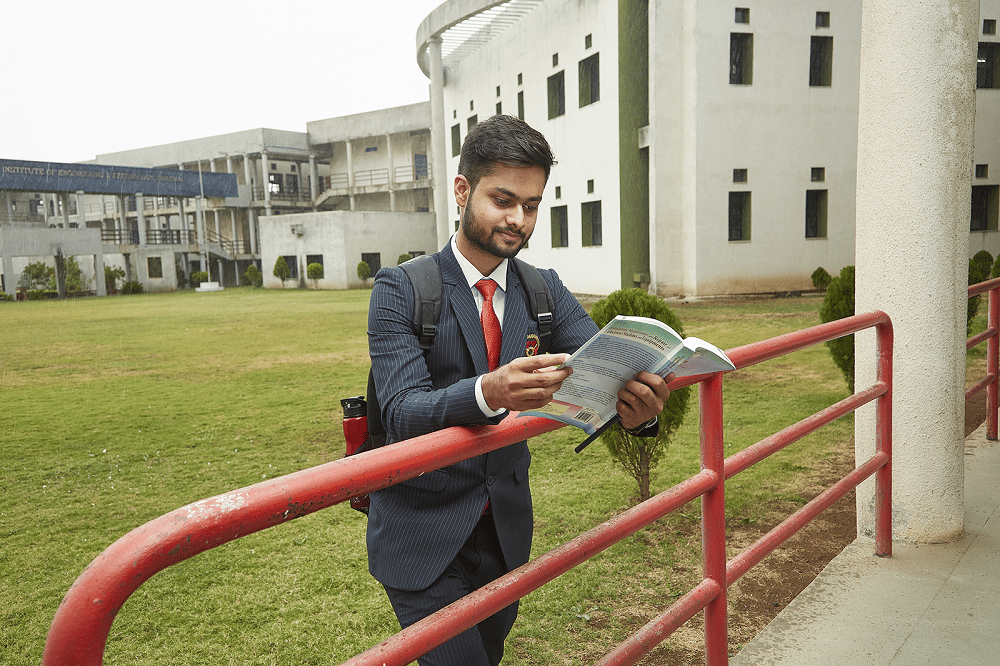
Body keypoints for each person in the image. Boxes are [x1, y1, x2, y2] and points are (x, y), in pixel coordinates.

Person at [366, 115, 670, 665]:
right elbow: (403, 412)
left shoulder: (542, 288)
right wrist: (490, 392)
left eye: (531, 206)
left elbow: (603, 369)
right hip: (421, 536)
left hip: (504, 534)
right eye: (503, 200)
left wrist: (639, 411)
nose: (518, 220)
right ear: (463, 190)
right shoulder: (401, 289)